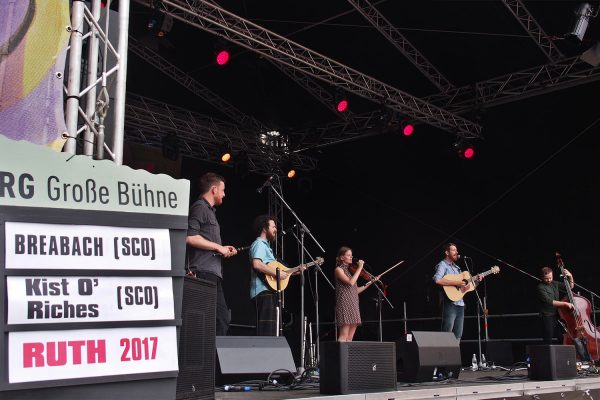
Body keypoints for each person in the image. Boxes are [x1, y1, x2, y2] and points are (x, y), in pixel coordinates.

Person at [186, 172, 238, 336]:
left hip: (211, 273)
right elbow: (190, 237)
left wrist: (222, 249)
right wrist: (218, 247)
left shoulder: (209, 211)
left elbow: (205, 241)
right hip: (202, 272)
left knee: (220, 319)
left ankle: (211, 360)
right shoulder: (200, 207)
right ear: (214, 189)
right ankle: (204, 360)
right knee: (212, 320)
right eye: (223, 190)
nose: (224, 194)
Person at [249, 215, 305, 335]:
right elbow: (257, 264)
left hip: (268, 291)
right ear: (265, 228)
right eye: (273, 226)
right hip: (263, 292)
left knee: (272, 330)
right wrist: (278, 274)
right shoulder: (259, 244)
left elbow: (274, 268)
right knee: (267, 332)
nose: (276, 229)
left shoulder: (267, 247)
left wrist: (292, 272)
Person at [433, 243, 481, 341]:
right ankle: (444, 355)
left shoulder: (457, 268)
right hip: (449, 303)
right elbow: (437, 280)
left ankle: (454, 356)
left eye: (456, 250)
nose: (456, 252)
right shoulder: (442, 264)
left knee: (458, 336)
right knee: (446, 335)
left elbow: (463, 288)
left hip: (460, 305)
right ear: (447, 252)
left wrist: (477, 281)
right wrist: (457, 283)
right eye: (453, 250)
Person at [334, 246, 379, 342]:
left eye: (351, 255)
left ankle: (347, 357)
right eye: (349, 255)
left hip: (354, 303)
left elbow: (355, 290)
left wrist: (371, 282)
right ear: (342, 257)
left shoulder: (350, 272)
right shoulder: (339, 270)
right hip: (344, 303)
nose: (351, 257)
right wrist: (360, 268)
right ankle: (340, 356)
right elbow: (350, 282)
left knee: (349, 338)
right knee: (343, 335)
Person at [537, 266, 574, 344]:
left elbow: (570, 287)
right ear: (542, 277)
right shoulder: (540, 287)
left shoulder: (554, 283)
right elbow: (550, 301)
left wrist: (570, 276)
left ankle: (562, 354)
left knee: (562, 336)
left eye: (551, 277)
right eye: (546, 278)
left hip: (557, 315)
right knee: (548, 338)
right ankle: (546, 355)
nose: (549, 280)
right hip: (547, 316)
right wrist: (565, 303)